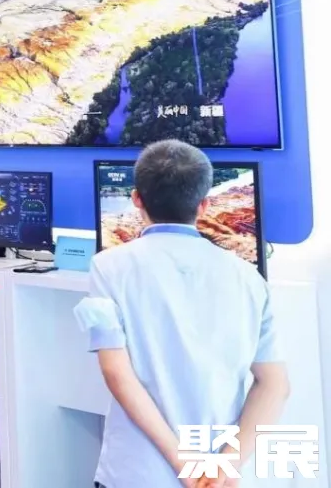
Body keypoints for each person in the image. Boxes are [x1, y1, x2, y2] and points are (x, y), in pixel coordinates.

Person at [75, 140, 290, 488]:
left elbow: (117, 373)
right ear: (203, 205)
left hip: (136, 472)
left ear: (136, 199)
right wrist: (225, 465)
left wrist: (184, 463)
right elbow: (275, 384)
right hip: (217, 477)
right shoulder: (248, 277)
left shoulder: (109, 266)